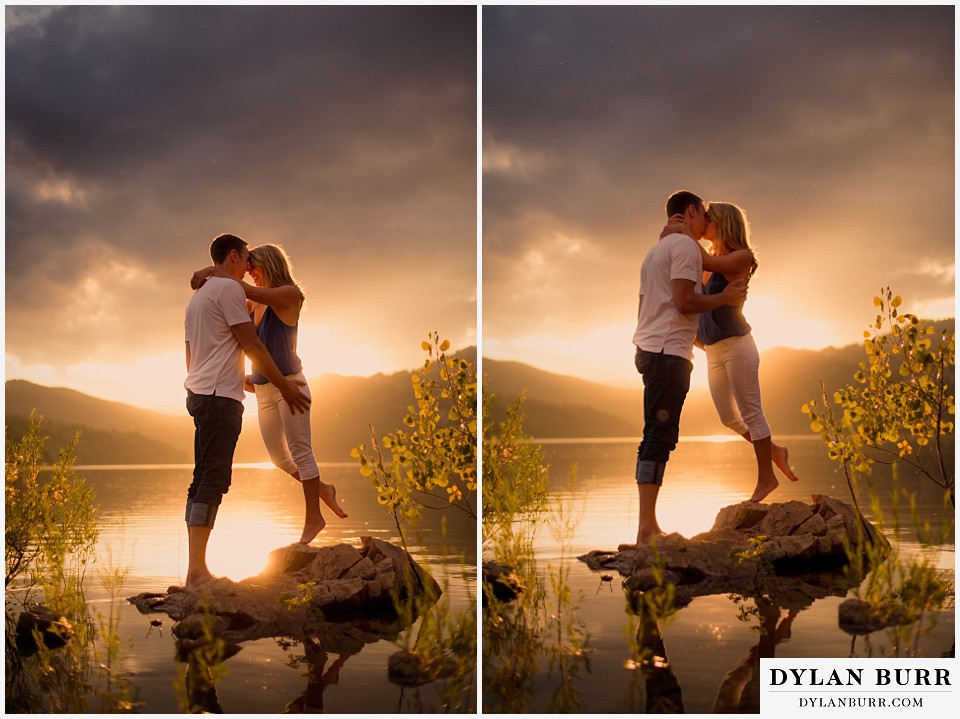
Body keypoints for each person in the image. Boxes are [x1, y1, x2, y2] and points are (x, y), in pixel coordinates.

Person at [191, 243, 347, 545]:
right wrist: (249, 378)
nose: (248, 272)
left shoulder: (289, 294)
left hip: (290, 386)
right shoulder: (254, 304)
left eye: (253, 266)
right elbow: (247, 334)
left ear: (269, 264)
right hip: (264, 390)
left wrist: (214, 270)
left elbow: (250, 292)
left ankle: (314, 518)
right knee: (278, 458)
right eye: (247, 267)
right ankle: (323, 489)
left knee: (301, 452)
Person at [184, 233, 311, 590]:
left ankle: (195, 567)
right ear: (236, 256)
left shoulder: (198, 297)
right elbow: (251, 342)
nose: (248, 268)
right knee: (212, 480)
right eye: (246, 260)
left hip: (199, 391)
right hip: (218, 397)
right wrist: (284, 385)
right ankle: (197, 573)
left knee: (201, 479)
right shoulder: (227, 291)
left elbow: (192, 351)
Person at [632, 190, 747, 546]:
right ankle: (646, 529)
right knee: (659, 437)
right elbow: (684, 302)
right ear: (693, 211)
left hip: (650, 347)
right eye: (704, 216)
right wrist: (724, 299)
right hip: (668, 353)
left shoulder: (655, 251)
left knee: (655, 435)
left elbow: (652, 304)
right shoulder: (682, 248)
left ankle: (646, 525)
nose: (705, 224)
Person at [666, 202, 799, 502]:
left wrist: (686, 232)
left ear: (724, 223)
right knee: (728, 418)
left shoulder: (741, 258)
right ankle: (774, 450)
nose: (705, 222)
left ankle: (767, 478)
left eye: (709, 218)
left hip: (738, 346)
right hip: (713, 351)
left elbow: (706, 264)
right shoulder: (709, 258)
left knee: (752, 412)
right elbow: (692, 292)